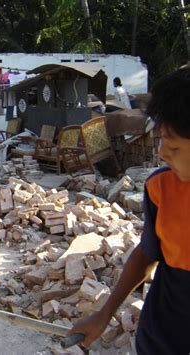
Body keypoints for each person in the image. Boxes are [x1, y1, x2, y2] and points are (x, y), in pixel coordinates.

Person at [68, 67, 190, 354]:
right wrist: (104, 314)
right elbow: (148, 252)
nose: (161, 153)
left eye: (173, 146)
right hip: (161, 339)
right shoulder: (161, 188)